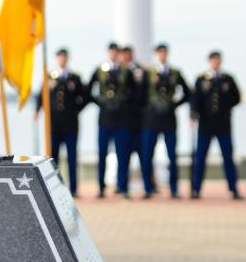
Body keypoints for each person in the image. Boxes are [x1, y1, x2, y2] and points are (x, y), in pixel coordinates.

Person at [34, 47, 88, 196]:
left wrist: (76, 110)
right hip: (54, 124)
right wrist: (37, 110)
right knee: (53, 157)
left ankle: (74, 189)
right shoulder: (49, 76)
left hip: (71, 124)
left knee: (72, 157)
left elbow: (85, 97)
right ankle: (54, 188)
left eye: (64, 56)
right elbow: (41, 96)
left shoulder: (75, 77)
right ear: (57, 58)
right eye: (60, 57)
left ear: (67, 58)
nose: (62, 59)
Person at [88, 42, 139, 198]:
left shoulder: (126, 71)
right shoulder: (100, 70)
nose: (113, 54)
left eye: (115, 52)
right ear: (108, 52)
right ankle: (101, 187)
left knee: (123, 154)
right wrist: (101, 102)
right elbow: (88, 91)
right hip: (105, 118)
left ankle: (123, 187)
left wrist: (123, 102)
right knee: (102, 153)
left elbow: (134, 91)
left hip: (122, 119)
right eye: (111, 51)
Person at [190, 51, 242, 199]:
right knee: (200, 158)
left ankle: (233, 189)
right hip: (205, 125)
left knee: (228, 158)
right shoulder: (201, 79)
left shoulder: (228, 79)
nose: (215, 63)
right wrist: (193, 114)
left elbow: (237, 97)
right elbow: (195, 99)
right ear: (209, 61)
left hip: (223, 125)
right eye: (213, 60)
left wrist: (226, 108)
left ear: (221, 61)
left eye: (218, 60)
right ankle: (196, 189)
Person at [141, 43, 190, 199]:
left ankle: (174, 188)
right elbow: (140, 94)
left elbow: (188, 92)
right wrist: (148, 108)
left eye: (164, 52)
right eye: (160, 53)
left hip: (169, 119)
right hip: (152, 120)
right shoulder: (148, 73)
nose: (162, 55)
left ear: (167, 54)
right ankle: (148, 188)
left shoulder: (175, 72)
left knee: (172, 156)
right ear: (156, 54)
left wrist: (174, 105)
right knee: (147, 154)